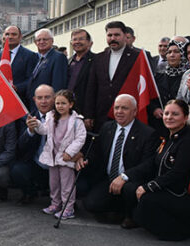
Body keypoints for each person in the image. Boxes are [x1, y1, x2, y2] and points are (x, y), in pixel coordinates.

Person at [122, 99, 190, 240]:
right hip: (163, 188)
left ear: (186, 118)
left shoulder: (188, 141)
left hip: (178, 193)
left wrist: (148, 187)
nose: (169, 117)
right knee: (129, 188)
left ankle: (183, 230)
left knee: (146, 202)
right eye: (167, 113)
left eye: (175, 114)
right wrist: (126, 176)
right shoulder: (169, 136)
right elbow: (152, 162)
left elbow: (178, 173)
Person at [78, 94, 157, 226]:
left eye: (124, 108)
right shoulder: (107, 127)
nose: (119, 112)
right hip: (108, 178)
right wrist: (83, 158)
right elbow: (96, 152)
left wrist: (125, 176)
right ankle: (116, 209)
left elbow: (148, 164)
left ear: (134, 111)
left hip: (131, 180)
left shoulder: (147, 133)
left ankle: (130, 215)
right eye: (117, 108)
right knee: (91, 204)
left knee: (129, 189)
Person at [31, 90, 86, 220]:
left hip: (66, 158)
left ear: (71, 104)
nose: (60, 106)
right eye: (57, 103)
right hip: (53, 156)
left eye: (63, 103)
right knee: (54, 183)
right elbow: (44, 130)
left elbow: (80, 138)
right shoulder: (51, 117)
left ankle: (68, 208)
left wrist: (70, 152)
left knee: (67, 185)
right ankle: (55, 204)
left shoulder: (77, 121)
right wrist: (37, 124)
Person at [83, 21, 142, 132]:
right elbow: (91, 88)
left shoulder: (137, 57)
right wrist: (88, 114)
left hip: (126, 115)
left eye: (117, 35)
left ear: (125, 36)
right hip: (102, 115)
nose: (113, 38)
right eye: (109, 35)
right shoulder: (98, 58)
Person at [11, 85, 54, 204]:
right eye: (40, 98)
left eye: (47, 97)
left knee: (81, 185)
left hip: (58, 166)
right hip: (37, 164)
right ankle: (30, 193)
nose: (43, 101)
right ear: (34, 99)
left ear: (54, 98)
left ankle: (65, 201)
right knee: (17, 170)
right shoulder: (28, 117)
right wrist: (30, 131)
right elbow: (19, 147)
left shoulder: (63, 116)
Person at [0, 26, 38, 104]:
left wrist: (17, 88)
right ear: (3, 37)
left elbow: (32, 79)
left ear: (20, 37)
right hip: (1, 100)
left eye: (14, 34)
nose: (10, 37)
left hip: (20, 101)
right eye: (7, 34)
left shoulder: (30, 55)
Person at [25, 29, 68, 109]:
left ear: (52, 41)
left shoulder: (58, 57)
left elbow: (58, 84)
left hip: (48, 106)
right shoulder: (36, 58)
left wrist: (55, 106)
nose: (41, 42)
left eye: (45, 39)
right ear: (35, 42)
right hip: (35, 104)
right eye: (38, 40)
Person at [67, 29, 94, 115]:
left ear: (89, 42)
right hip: (67, 108)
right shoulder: (68, 61)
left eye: (81, 39)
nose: (77, 42)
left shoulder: (96, 60)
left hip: (84, 109)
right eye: (74, 39)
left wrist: (89, 114)